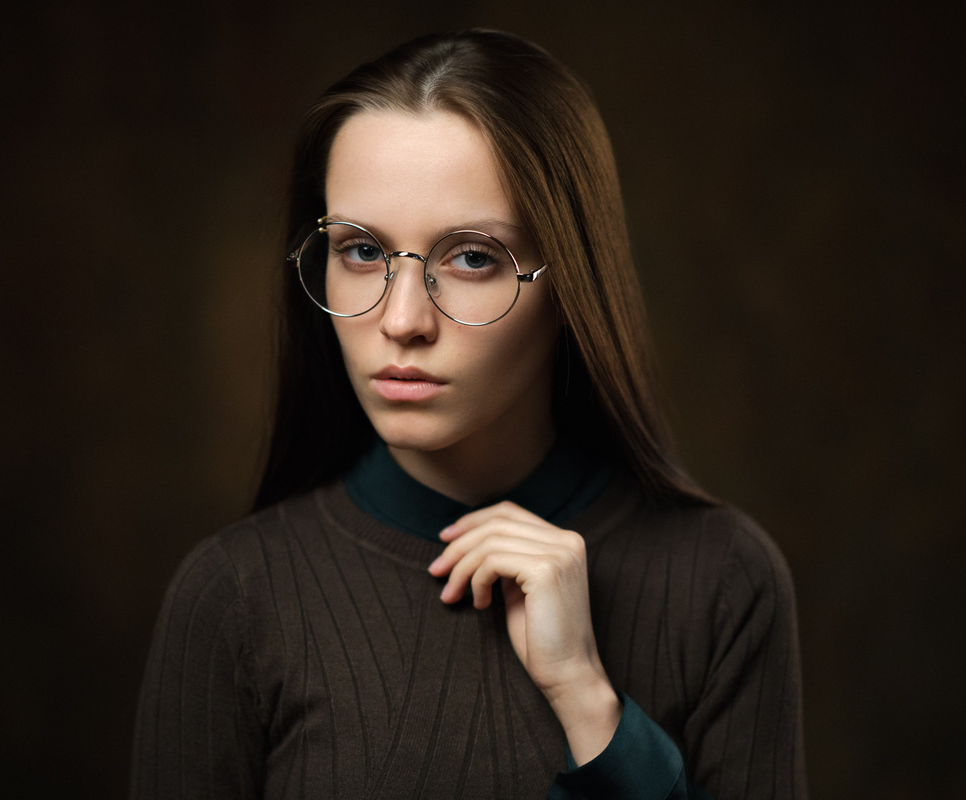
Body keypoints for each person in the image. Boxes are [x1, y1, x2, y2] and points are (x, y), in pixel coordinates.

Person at [132, 29, 806, 800]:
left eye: (473, 257)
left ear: (571, 286)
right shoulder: (234, 597)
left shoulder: (723, 582)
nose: (404, 320)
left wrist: (590, 703)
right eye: (360, 251)